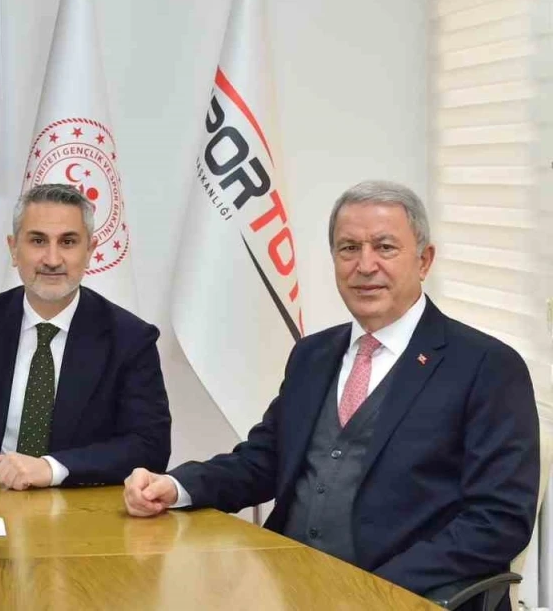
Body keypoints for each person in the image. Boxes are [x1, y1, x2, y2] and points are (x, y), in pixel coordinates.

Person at [123, 180, 539, 607]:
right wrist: (175, 486)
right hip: (288, 584)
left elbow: (498, 521)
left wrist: (375, 588)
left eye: (385, 247)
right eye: (348, 248)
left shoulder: (487, 367)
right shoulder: (313, 354)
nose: (365, 265)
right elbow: (263, 461)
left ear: (424, 260)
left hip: (402, 598)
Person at [0, 184, 171, 489]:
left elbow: (149, 446)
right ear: (13, 249)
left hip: (79, 503)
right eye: (38, 241)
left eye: (68, 242)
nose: (52, 258)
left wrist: (52, 468)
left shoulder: (130, 338)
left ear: (90, 251)